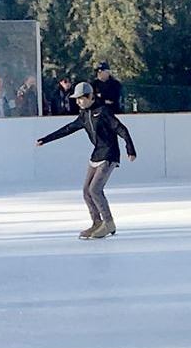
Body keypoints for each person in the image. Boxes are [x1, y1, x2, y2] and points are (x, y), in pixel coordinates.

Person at [34, 81, 138, 240]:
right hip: (96, 154)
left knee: (95, 189)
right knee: (86, 191)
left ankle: (109, 223)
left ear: (90, 96)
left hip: (109, 154)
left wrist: (130, 148)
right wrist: (46, 139)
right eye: (76, 99)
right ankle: (97, 222)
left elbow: (121, 129)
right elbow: (68, 129)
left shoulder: (103, 111)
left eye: (80, 98)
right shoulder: (84, 114)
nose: (78, 102)